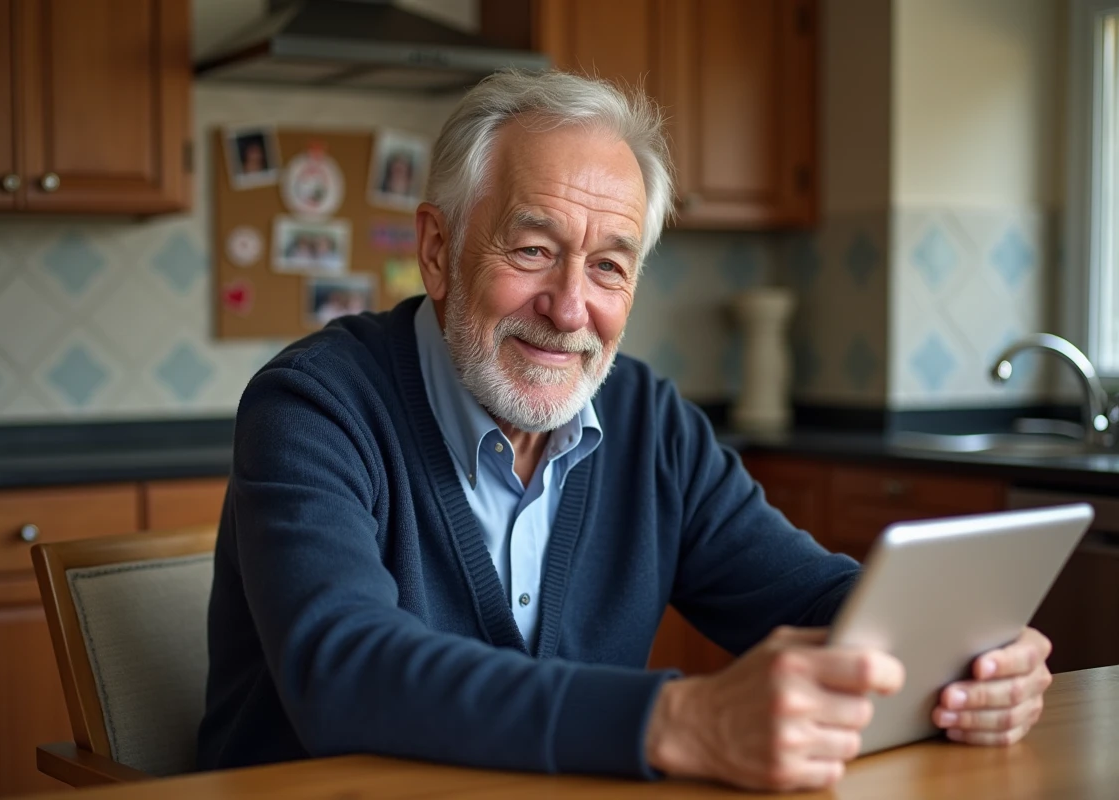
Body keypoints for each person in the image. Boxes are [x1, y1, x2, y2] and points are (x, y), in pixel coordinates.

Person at [197, 70, 1053, 792]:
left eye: (609, 265)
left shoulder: (653, 424)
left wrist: (969, 656)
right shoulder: (313, 406)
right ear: (436, 250)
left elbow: (813, 601)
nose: (571, 308)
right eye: (532, 250)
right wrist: (673, 720)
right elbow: (343, 669)